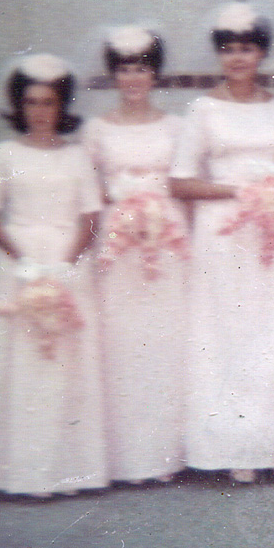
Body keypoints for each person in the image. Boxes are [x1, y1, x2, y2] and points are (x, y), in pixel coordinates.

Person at [169, 2, 274, 483]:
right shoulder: (203, 109)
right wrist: (240, 191)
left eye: (246, 49)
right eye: (228, 50)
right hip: (223, 237)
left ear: (262, 53)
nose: (238, 58)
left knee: (273, 335)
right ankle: (233, 446)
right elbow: (180, 183)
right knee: (228, 337)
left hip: (271, 236)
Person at [0, 53, 108, 497]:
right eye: (30, 102)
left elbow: (90, 220)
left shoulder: (77, 156)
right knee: (23, 367)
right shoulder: (3, 154)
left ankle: (70, 472)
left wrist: (66, 266)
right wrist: (22, 260)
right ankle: (20, 474)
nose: (39, 111)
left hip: (68, 263)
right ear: (19, 106)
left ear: (61, 106)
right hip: (20, 263)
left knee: (68, 365)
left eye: (48, 102)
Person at [84, 25, 188, 485]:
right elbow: (88, 192)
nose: (133, 78)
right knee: (123, 347)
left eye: (142, 68)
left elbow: (183, 188)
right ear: (113, 75)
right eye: (125, 69)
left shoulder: (176, 127)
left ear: (155, 74)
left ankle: (164, 456)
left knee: (164, 345)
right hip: (118, 247)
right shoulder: (96, 129)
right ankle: (125, 458)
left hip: (165, 244)